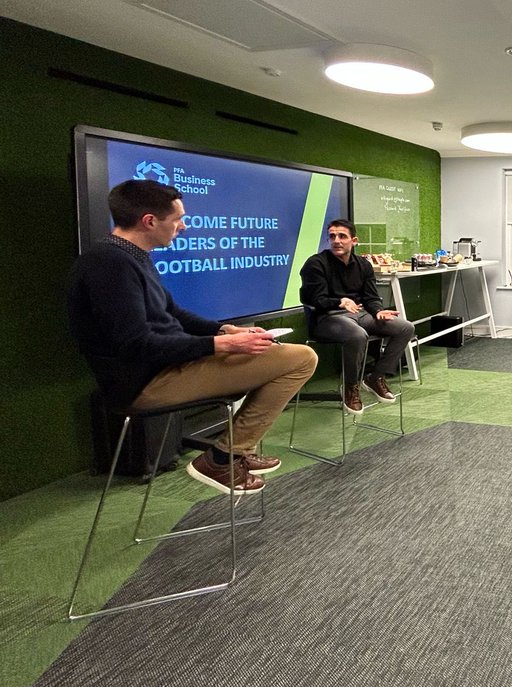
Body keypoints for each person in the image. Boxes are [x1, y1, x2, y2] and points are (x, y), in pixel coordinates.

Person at [67, 180, 318, 495]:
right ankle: (223, 457)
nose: (183, 226)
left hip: (171, 367)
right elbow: (134, 343)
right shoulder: (109, 264)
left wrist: (225, 331)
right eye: (177, 219)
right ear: (149, 221)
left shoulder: (131, 255)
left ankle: (233, 452)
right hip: (147, 384)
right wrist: (221, 345)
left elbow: (172, 311)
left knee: (278, 355)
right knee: (301, 359)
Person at [299, 219, 416, 415]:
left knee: (405, 327)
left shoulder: (363, 265)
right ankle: (351, 387)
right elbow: (313, 299)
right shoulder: (316, 263)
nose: (336, 240)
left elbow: (370, 297)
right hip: (327, 318)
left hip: (360, 314)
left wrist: (378, 310)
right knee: (358, 335)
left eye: (342, 236)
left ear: (354, 241)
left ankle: (375, 377)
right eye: (332, 236)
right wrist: (340, 301)